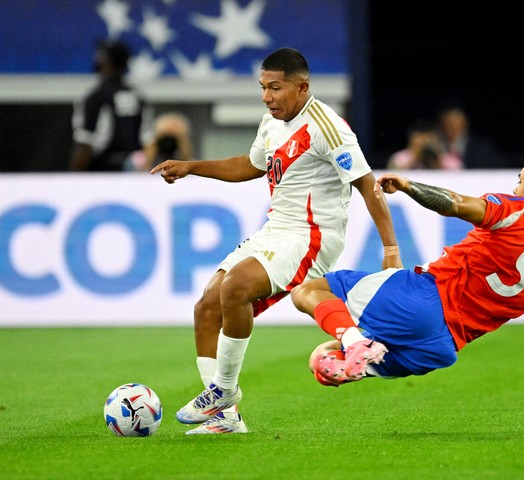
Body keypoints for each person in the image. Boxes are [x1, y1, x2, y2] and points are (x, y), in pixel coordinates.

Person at [150, 47, 402, 434]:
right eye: (263, 87)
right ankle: (226, 419)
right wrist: (192, 167)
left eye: (276, 88)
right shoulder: (270, 123)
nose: (267, 97)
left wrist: (390, 250)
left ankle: (223, 392)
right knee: (206, 308)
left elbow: (368, 186)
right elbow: (251, 166)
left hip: (312, 235)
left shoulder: (328, 126)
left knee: (234, 288)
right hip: (275, 231)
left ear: (302, 87)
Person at [291, 152, 524, 390]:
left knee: (307, 291)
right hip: (439, 348)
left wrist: (408, 186)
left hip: (422, 298)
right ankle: (350, 350)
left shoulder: (519, 209)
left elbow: (454, 204)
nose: (515, 189)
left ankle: (356, 342)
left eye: (520, 181)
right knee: (324, 357)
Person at [70, 39, 151, 171]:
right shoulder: (138, 97)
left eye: (100, 55)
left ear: (106, 61)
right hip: (133, 173)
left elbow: (84, 144)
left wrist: (74, 180)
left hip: (102, 172)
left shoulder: (95, 98)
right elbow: (148, 142)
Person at [436, 101, 510, 169]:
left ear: (465, 123)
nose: (452, 128)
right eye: (448, 123)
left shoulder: (483, 148)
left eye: (455, 123)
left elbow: (499, 171)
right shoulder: (434, 145)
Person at [124, 112, 194, 171]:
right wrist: (148, 160)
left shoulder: (191, 164)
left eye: (173, 139)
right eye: (165, 138)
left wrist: (184, 157)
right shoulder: (137, 160)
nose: (168, 145)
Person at [386, 118, 463, 170]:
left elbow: (460, 175)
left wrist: (437, 160)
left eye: (428, 140)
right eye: (420, 140)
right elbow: (392, 174)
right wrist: (415, 157)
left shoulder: (449, 158)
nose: (424, 144)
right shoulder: (398, 158)